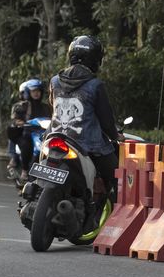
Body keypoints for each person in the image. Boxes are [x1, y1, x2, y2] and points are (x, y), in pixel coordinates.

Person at [48, 35, 120, 212]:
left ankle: (30, 183)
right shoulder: (95, 85)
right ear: (95, 60)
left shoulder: (55, 81)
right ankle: (116, 215)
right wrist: (115, 135)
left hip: (55, 138)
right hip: (88, 145)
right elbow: (106, 120)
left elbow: (53, 106)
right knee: (118, 175)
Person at [7, 78, 51, 181]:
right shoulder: (22, 106)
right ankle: (25, 170)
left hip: (43, 133)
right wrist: (21, 122)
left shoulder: (46, 107)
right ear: (28, 92)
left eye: (38, 91)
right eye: (33, 91)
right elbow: (16, 120)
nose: (36, 93)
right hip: (27, 133)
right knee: (26, 145)